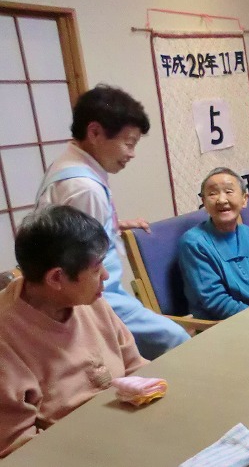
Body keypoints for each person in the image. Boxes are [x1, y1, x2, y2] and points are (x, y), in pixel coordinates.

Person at [35, 85, 190, 359]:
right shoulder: (84, 187)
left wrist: (113, 224)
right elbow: (80, 259)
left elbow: (72, 233)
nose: (132, 153)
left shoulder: (70, 166)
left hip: (95, 288)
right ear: (94, 132)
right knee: (175, 339)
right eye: (128, 143)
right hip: (93, 295)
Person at [0, 206, 148, 458]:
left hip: (130, 431)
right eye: (96, 268)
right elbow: (17, 447)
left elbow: (138, 369)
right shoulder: (7, 337)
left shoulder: (89, 299)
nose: (105, 275)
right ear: (57, 278)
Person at [178, 167, 249, 320]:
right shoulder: (194, 243)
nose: (221, 200)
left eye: (229, 191)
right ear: (204, 202)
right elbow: (216, 302)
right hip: (226, 325)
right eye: (212, 194)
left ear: (244, 199)